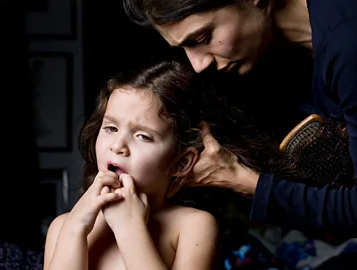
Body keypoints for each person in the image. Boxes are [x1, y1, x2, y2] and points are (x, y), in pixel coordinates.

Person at [123, 0, 357, 244]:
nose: (198, 64)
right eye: (184, 48)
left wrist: (241, 180)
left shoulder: (352, 44)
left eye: (203, 37)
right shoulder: (291, 53)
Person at [42, 59, 222, 270]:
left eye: (143, 136)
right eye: (111, 128)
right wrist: (75, 229)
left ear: (181, 162)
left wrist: (129, 229)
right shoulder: (63, 226)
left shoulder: (194, 227)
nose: (118, 145)